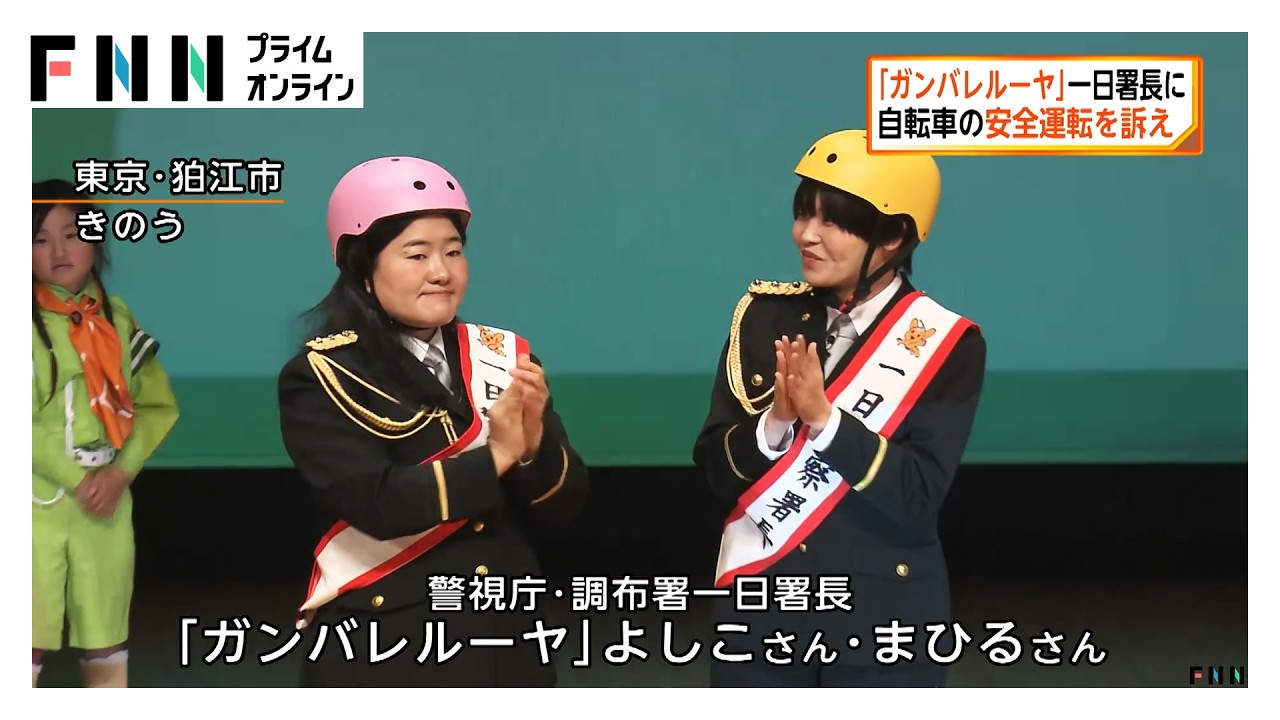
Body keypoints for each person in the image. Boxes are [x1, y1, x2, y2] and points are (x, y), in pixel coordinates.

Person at [277, 156, 589, 688]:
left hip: (508, 640)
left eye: (453, 251)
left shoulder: (502, 357)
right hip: (389, 646)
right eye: (417, 254)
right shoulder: (322, 374)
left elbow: (565, 511)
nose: (441, 272)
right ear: (362, 268)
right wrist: (498, 455)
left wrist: (533, 449)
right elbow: (376, 502)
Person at [692, 129, 987, 687]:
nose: (806, 235)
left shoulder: (944, 342)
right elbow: (714, 469)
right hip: (763, 615)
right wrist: (777, 422)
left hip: (882, 621)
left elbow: (917, 497)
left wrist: (825, 421)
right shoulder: (763, 316)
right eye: (803, 214)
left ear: (894, 235)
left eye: (833, 222)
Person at [32, 179, 181, 688]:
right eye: (40, 239)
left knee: (106, 637)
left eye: (72, 234)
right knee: (24, 637)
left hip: (106, 503)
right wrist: (75, 478)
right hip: (32, 504)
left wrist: (120, 473)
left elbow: (156, 405)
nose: (59, 251)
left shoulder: (116, 317)